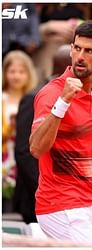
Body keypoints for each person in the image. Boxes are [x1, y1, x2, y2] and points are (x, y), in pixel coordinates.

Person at [29, 20, 92, 244]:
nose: (80, 56)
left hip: (85, 205)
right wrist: (64, 101)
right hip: (58, 208)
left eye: (88, 51)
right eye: (76, 48)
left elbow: (86, 158)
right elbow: (36, 148)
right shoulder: (51, 95)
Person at [13, 44, 72, 224]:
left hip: (68, 198)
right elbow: (24, 151)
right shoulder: (35, 96)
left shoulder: (78, 96)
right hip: (38, 198)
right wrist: (46, 191)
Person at [2, 50, 38, 205]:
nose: (16, 76)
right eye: (12, 71)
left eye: (21, 72)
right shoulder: (2, 99)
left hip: (23, 154)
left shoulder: (33, 99)